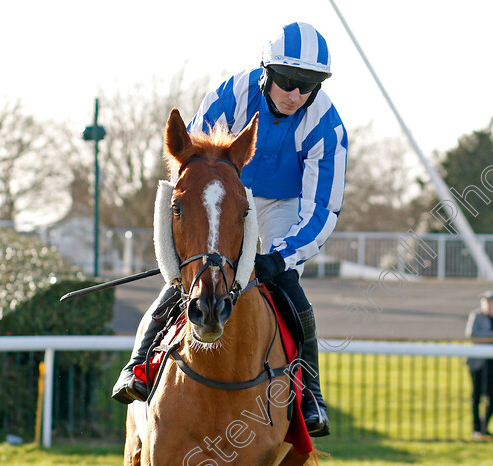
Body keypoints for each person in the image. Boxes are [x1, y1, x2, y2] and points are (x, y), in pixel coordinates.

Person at [111, 22, 347, 438]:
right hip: (229, 191)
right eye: (288, 81)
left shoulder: (328, 128)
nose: (295, 95)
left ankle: (309, 392)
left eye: (307, 85)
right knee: (197, 275)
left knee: (286, 287)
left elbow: (322, 210)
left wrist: (281, 258)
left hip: (286, 207)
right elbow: (192, 169)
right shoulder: (229, 96)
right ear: (267, 73)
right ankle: (139, 364)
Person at [465, 290, 493, 439]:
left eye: (490, 302)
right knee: (477, 395)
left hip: (492, 362)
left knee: (492, 398)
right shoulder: (476, 316)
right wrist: (492, 335)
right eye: (485, 301)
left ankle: (484, 427)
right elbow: (472, 334)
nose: (488, 305)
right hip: (478, 362)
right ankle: (476, 428)